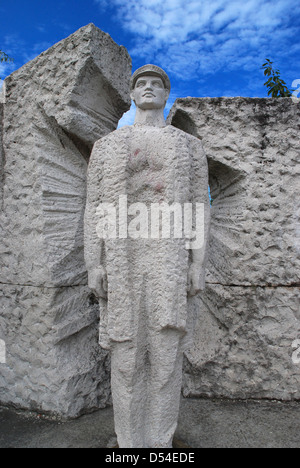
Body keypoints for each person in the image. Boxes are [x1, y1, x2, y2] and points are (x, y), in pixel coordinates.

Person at [84, 65, 210, 448]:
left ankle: (159, 442)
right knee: (125, 357)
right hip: (123, 258)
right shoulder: (106, 146)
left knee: (166, 355)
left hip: (168, 258)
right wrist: (95, 261)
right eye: (142, 83)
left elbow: (198, 207)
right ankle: (128, 441)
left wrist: (197, 262)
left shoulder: (189, 146)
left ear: (167, 93)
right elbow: (93, 206)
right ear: (132, 93)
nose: (150, 88)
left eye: (158, 83)